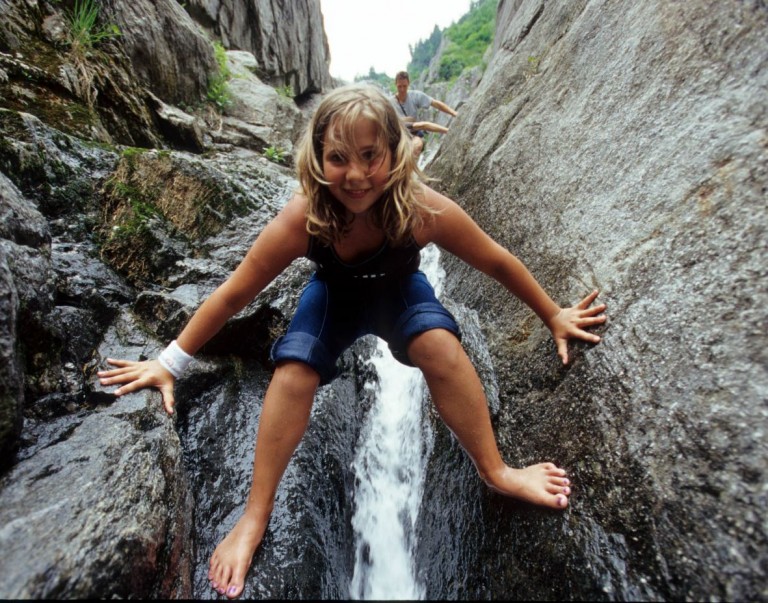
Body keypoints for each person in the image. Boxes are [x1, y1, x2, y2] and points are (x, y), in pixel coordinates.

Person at [97, 83, 607, 600]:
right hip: (333, 299)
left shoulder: (420, 209)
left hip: (400, 293)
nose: (357, 175)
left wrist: (553, 314)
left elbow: (495, 259)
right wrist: (170, 363)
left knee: (440, 345)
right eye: (338, 158)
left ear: (395, 151)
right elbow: (232, 294)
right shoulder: (305, 218)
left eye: (370, 156)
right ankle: (255, 516)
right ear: (317, 159)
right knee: (293, 371)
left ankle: (495, 470)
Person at [391, 70, 458, 158]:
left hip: (413, 133)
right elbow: (425, 125)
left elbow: (435, 103)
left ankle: (413, 168)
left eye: (405, 86)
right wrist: (449, 131)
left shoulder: (415, 96)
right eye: (399, 86)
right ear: (395, 84)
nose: (402, 89)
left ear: (408, 84)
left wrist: (454, 113)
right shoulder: (390, 103)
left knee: (416, 146)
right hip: (398, 135)